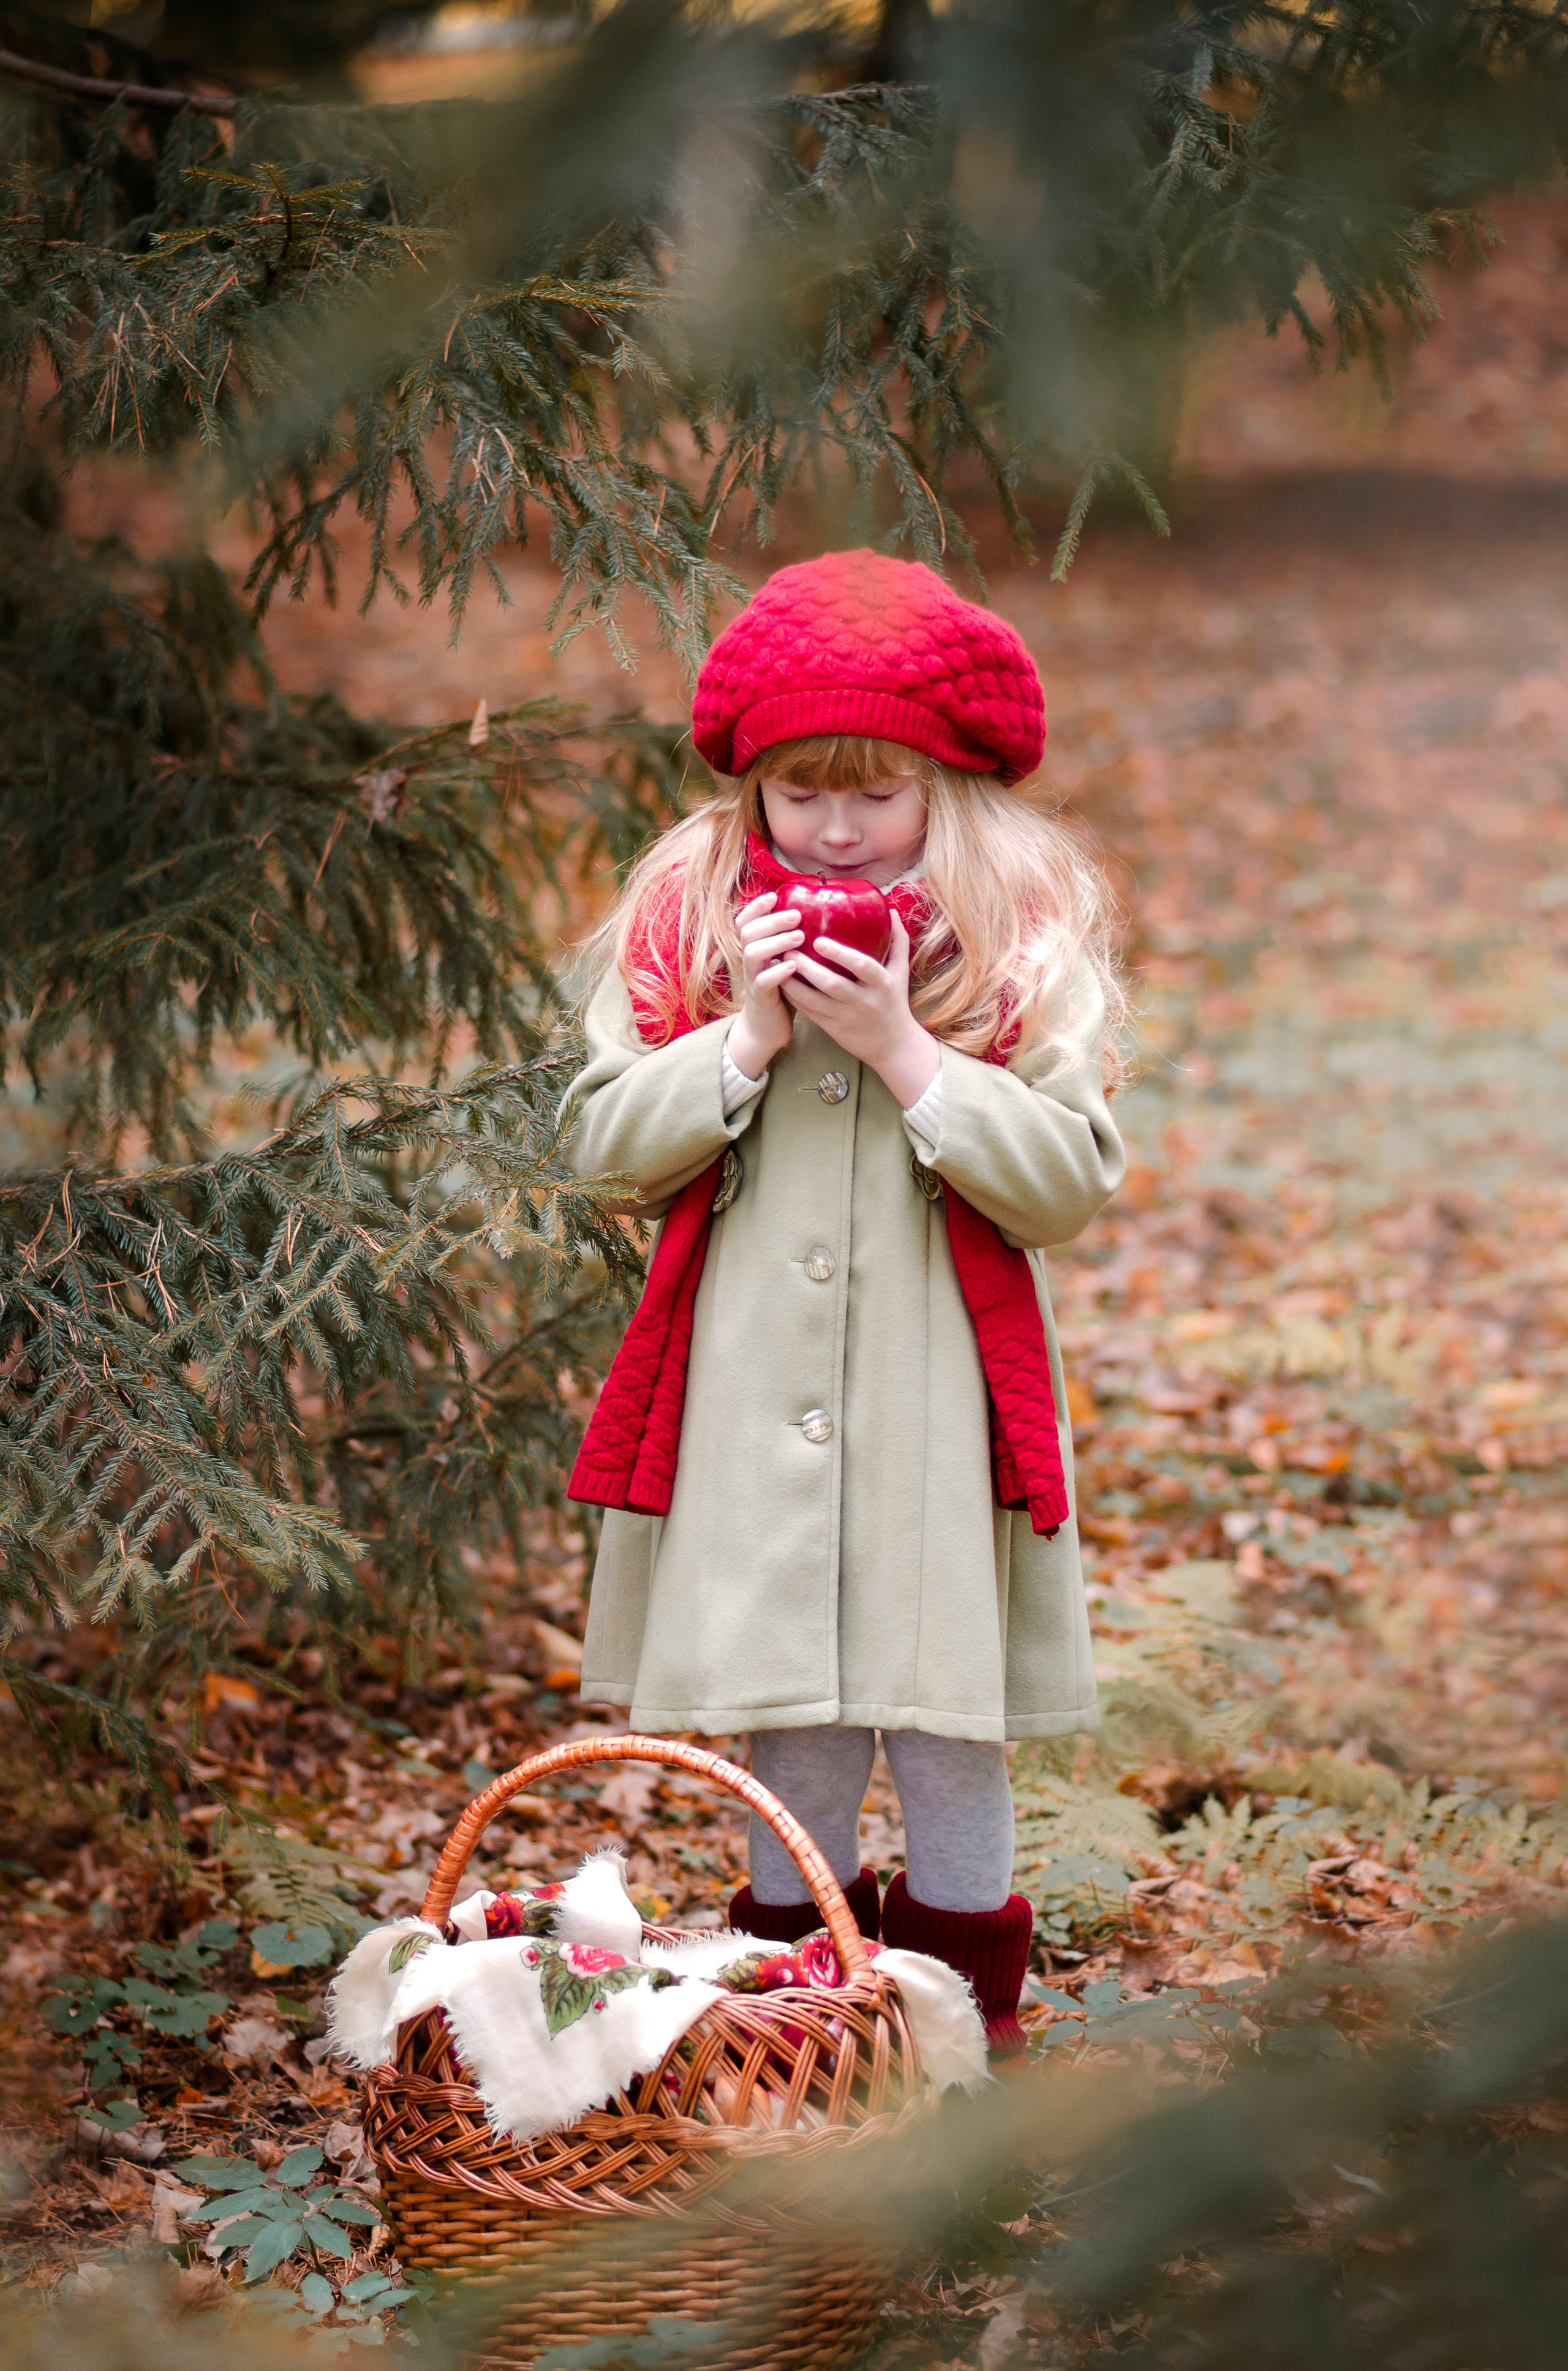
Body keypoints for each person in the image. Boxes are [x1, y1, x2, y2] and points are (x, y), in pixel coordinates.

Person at [562, 548, 1125, 2056]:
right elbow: (605, 1148)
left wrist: (904, 1050)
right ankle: (798, 2035)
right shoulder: (691, 926)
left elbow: (1066, 1179)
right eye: (797, 791)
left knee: (944, 1724)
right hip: (753, 1408)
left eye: (873, 791)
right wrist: (742, 1037)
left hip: (937, 1406)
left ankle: (957, 2040)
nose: (831, 824)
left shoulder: (1010, 945)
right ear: (749, 792)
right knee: (792, 1718)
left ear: (946, 786)